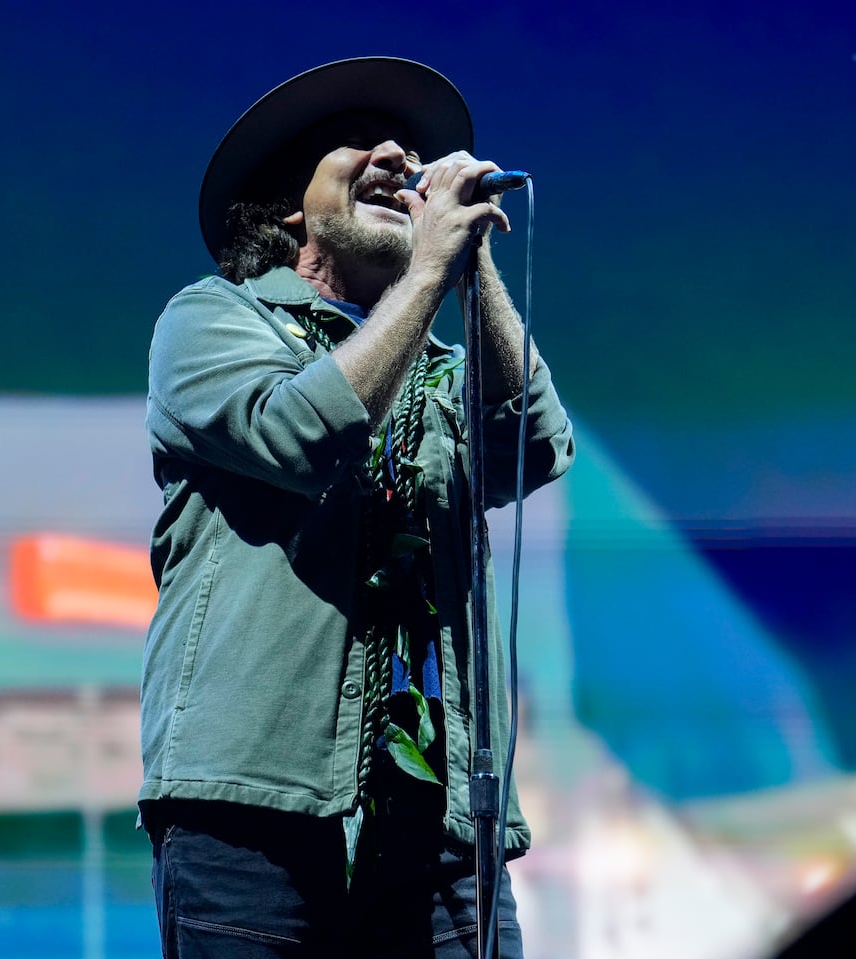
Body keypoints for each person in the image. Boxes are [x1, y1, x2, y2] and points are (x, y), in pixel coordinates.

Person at [139, 57, 576, 958]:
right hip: (255, 814)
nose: (397, 158)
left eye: (408, 151)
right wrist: (424, 278)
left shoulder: (442, 372)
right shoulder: (213, 321)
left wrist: (471, 269)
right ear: (291, 209)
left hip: (443, 827)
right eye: (359, 144)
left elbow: (531, 448)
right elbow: (298, 433)